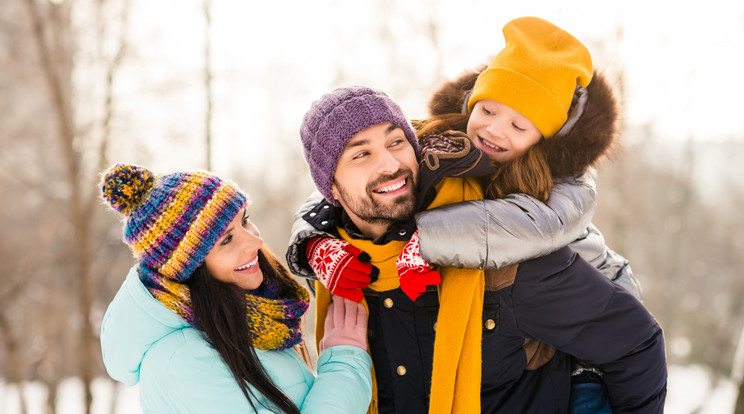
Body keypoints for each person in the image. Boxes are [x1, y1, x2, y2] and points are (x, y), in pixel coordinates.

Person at [287, 17, 661, 413]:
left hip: (594, 281)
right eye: (488, 110)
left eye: (519, 125)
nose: (496, 131)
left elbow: (633, 337)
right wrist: (312, 244)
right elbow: (329, 199)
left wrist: (425, 242)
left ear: (542, 139)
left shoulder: (538, 215)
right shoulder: (348, 262)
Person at [98, 163, 373, 414]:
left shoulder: (245, 322)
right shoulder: (181, 363)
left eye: (244, 220)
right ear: (188, 270)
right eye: (226, 240)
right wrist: (344, 365)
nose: (254, 241)